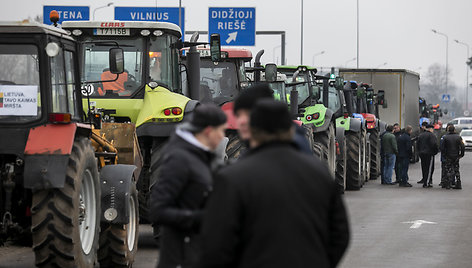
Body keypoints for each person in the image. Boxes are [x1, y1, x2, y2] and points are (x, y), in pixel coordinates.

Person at [197, 99, 350, 268]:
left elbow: (215, 243)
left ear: (252, 131)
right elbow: (340, 234)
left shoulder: (232, 178)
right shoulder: (319, 173)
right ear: (290, 129)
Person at [150, 103, 227, 268]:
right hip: (180, 256)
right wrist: (199, 218)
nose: (222, 136)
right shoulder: (180, 159)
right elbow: (158, 209)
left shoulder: (202, 157)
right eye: (221, 131)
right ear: (208, 131)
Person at [233, 83, 312, 156]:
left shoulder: (291, 149)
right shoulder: (252, 146)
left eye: (248, 114)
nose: (241, 122)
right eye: (238, 115)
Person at [440, 124, 465, 189]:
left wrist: (444, 155)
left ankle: (448, 184)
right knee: (456, 169)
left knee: (448, 169)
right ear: (454, 130)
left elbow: (442, 147)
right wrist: (461, 154)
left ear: (448, 130)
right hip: (456, 155)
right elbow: (462, 146)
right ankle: (458, 183)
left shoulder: (445, 137)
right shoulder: (458, 137)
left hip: (448, 155)